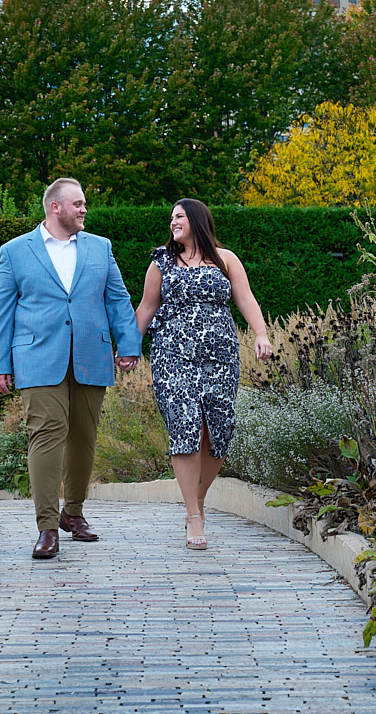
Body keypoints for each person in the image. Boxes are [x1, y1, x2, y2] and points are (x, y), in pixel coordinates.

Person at [0, 177, 141, 560]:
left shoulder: (100, 247)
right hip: (38, 357)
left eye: (84, 203)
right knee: (46, 435)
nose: (84, 209)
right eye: (78, 203)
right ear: (55, 207)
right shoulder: (15, 251)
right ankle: (46, 526)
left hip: (92, 354)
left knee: (84, 439)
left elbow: (118, 299)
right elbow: (1, 313)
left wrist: (130, 345)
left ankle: (73, 513)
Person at [136, 198, 272, 549]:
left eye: (179, 216)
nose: (173, 222)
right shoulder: (161, 261)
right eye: (170, 217)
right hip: (172, 354)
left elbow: (245, 299)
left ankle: (196, 500)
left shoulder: (225, 259)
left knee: (219, 430)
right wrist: (128, 347)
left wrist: (261, 334)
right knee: (184, 426)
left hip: (220, 355)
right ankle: (194, 516)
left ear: (197, 220)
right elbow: (148, 306)